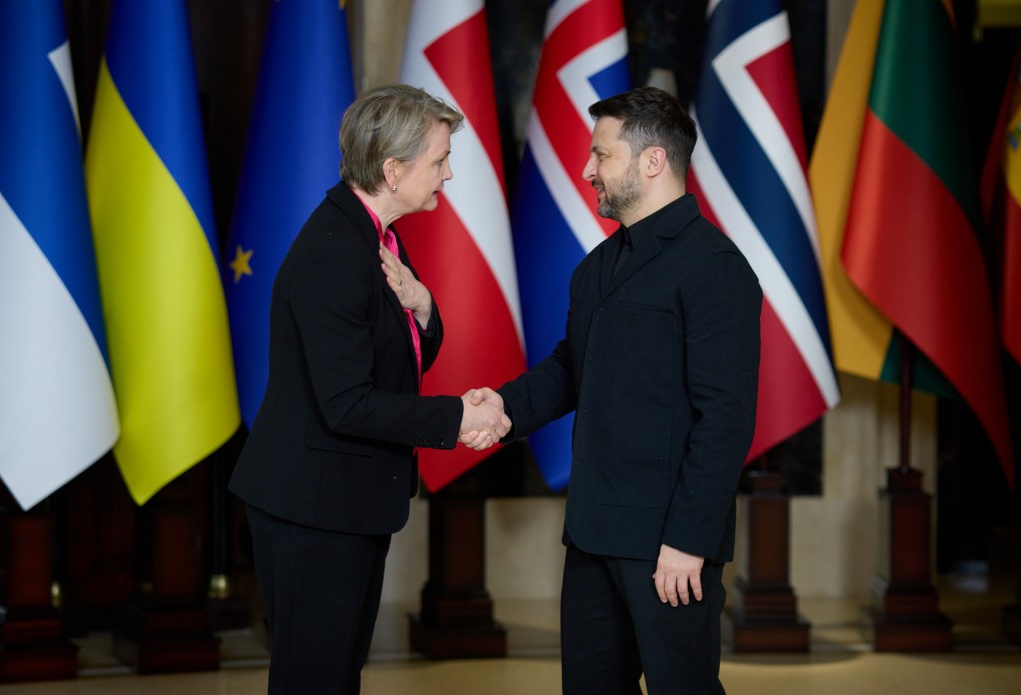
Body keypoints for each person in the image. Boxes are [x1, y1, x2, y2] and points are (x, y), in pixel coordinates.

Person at [472, 86, 761, 693]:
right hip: (591, 534)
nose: (587, 169)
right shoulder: (597, 266)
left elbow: (726, 419)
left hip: (668, 546)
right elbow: (573, 367)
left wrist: (688, 541)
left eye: (601, 155)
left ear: (653, 161)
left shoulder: (715, 267)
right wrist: (504, 407)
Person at [228, 83, 509, 695]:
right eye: (439, 160)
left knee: (338, 676)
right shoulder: (336, 254)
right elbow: (348, 404)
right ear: (392, 169)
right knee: (314, 682)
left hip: (345, 499)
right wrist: (456, 418)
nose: (449, 174)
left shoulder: (375, 237)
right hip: (311, 507)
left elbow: (398, 355)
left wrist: (423, 304)